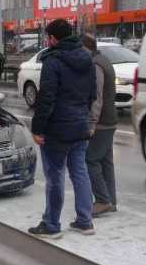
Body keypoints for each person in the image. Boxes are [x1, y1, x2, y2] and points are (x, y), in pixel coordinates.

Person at [28, 19, 97, 239]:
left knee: (55, 176)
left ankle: (51, 224)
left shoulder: (53, 60)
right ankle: (85, 221)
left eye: (47, 37)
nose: (46, 41)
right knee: (80, 172)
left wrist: (38, 129)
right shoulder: (86, 58)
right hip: (79, 126)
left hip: (57, 129)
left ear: (53, 39)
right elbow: (92, 94)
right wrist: (82, 116)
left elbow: (46, 98)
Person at [83, 34, 118, 217]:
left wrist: (91, 124)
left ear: (85, 49)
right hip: (110, 119)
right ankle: (111, 201)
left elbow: (96, 98)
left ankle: (103, 200)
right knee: (106, 162)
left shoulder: (95, 65)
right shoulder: (104, 60)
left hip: (102, 122)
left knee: (91, 160)